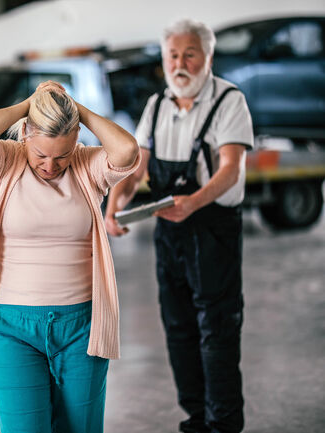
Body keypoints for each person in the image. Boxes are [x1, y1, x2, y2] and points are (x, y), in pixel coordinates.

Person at [0, 80, 139, 433]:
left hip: (82, 330)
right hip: (11, 330)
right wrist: (31, 103)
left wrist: (77, 109)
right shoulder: (2, 164)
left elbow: (127, 151)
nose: (50, 165)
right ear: (25, 134)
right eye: (41, 154)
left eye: (62, 155)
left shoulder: (87, 166)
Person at [105, 18, 253, 433]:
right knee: (178, 327)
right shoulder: (156, 106)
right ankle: (197, 418)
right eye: (173, 55)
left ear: (207, 56)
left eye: (189, 54)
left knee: (217, 329)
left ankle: (223, 424)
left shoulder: (229, 101)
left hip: (213, 229)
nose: (180, 63)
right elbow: (137, 168)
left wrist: (195, 202)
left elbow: (231, 170)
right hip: (171, 232)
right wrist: (118, 200)